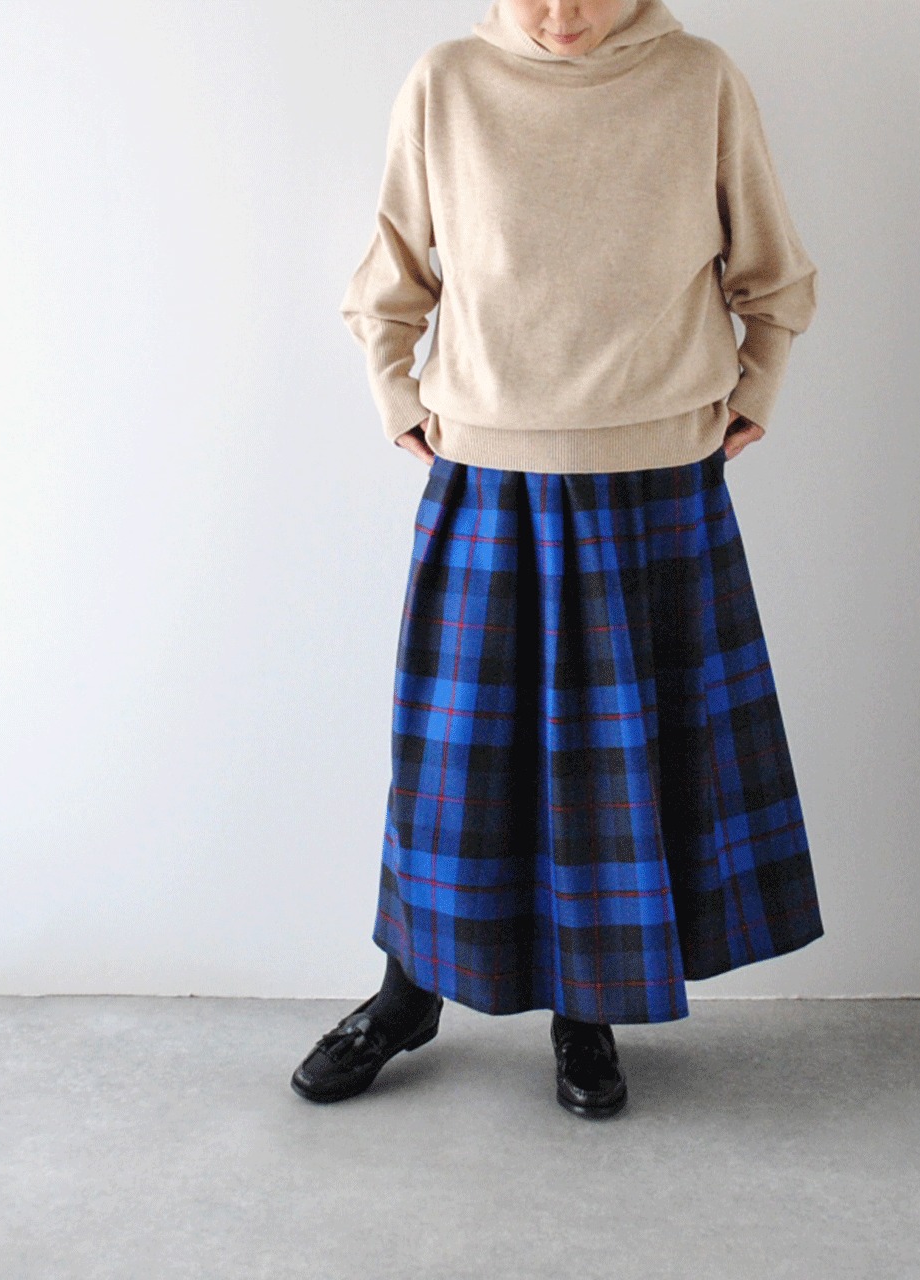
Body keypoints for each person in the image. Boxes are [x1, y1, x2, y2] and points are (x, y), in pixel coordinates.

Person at [291, 0, 825, 1120]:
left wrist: (760, 384)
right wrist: (397, 394)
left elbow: (772, 271)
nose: (563, 13)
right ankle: (408, 993)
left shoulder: (698, 81)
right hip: (487, 472)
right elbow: (391, 275)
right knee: (453, 770)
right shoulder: (446, 83)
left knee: (616, 769)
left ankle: (586, 1012)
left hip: (656, 477)